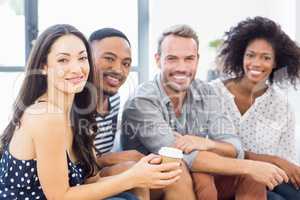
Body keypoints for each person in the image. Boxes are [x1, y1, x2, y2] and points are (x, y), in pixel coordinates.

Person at [0, 24, 182, 200]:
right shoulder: (46, 116)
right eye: (63, 60)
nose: (77, 68)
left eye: (82, 58)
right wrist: (132, 177)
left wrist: (141, 173)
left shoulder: (77, 114)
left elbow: (91, 181)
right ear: (43, 66)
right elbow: (59, 196)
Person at [121, 24, 289, 200]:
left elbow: (234, 146)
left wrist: (209, 144)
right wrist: (250, 166)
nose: (182, 67)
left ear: (197, 60)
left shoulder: (206, 92)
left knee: (252, 180)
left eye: (189, 59)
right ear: (158, 60)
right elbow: (181, 156)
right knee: (182, 169)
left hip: (192, 176)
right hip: (156, 183)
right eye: (172, 59)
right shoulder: (141, 102)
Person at [210, 16, 300, 200]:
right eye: (250, 55)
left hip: (267, 180)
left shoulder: (281, 105)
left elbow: (287, 165)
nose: (256, 64)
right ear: (241, 55)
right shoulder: (212, 94)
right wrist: (273, 160)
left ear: (275, 63)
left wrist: (280, 164)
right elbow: (209, 150)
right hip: (221, 178)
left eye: (266, 57)